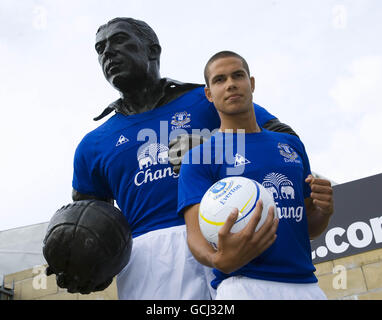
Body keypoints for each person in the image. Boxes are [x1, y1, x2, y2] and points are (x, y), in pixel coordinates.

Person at [69, 17, 299, 300]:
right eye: (100, 49)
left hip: (230, 236)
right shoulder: (92, 145)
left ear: (152, 50)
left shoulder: (207, 100)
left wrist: (212, 145)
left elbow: (286, 141)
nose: (107, 53)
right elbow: (90, 225)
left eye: (118, 41)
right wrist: (79, 259)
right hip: (150, 262)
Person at [177, 51, 334, 300]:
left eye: (237, 75)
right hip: (243, 286)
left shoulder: (291, 145)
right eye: (219, 80)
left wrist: (323, 211)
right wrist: (218, 259)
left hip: (306, 285)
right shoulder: (199, 157)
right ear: (208, 93)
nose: (230, 84)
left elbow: (309, 227)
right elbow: (196, 238)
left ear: (251, 83)